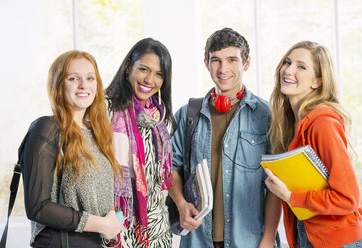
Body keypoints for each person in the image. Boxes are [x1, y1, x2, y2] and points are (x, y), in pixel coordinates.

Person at [169, 27, 282, 248]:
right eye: (216, 60)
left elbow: (275, 184)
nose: (223, 69)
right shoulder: (187, 115)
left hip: (251, 241)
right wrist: (181, 204)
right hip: (198, 240)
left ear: (246, 64)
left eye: (232, 59)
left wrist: (268, 239)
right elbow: (171, 167)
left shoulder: (266, 115)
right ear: (206, 64)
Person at [22, 50, 125, 248]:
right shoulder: (47, 128)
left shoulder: (98, 134)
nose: (83, 85)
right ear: (58, 84)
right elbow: (37, 207)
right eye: (73, 78)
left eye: (90, 78)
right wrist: (101, 224)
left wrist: (110, 226)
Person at [264, 41, 362, 248]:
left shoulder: (323, 123)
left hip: (338, 241)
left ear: (317, 81)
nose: (288, 70)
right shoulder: (293, 125)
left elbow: (348, 198)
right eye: (287, 62)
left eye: (301, 67)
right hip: (310, 238)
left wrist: (290, 196)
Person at [106, 38, 177, 248]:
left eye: (159, 74)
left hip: (156, 231)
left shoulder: (158, 119)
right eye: (143, 69)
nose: (149, 80)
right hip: (117, 225)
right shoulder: (105, 110)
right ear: (129, 67)